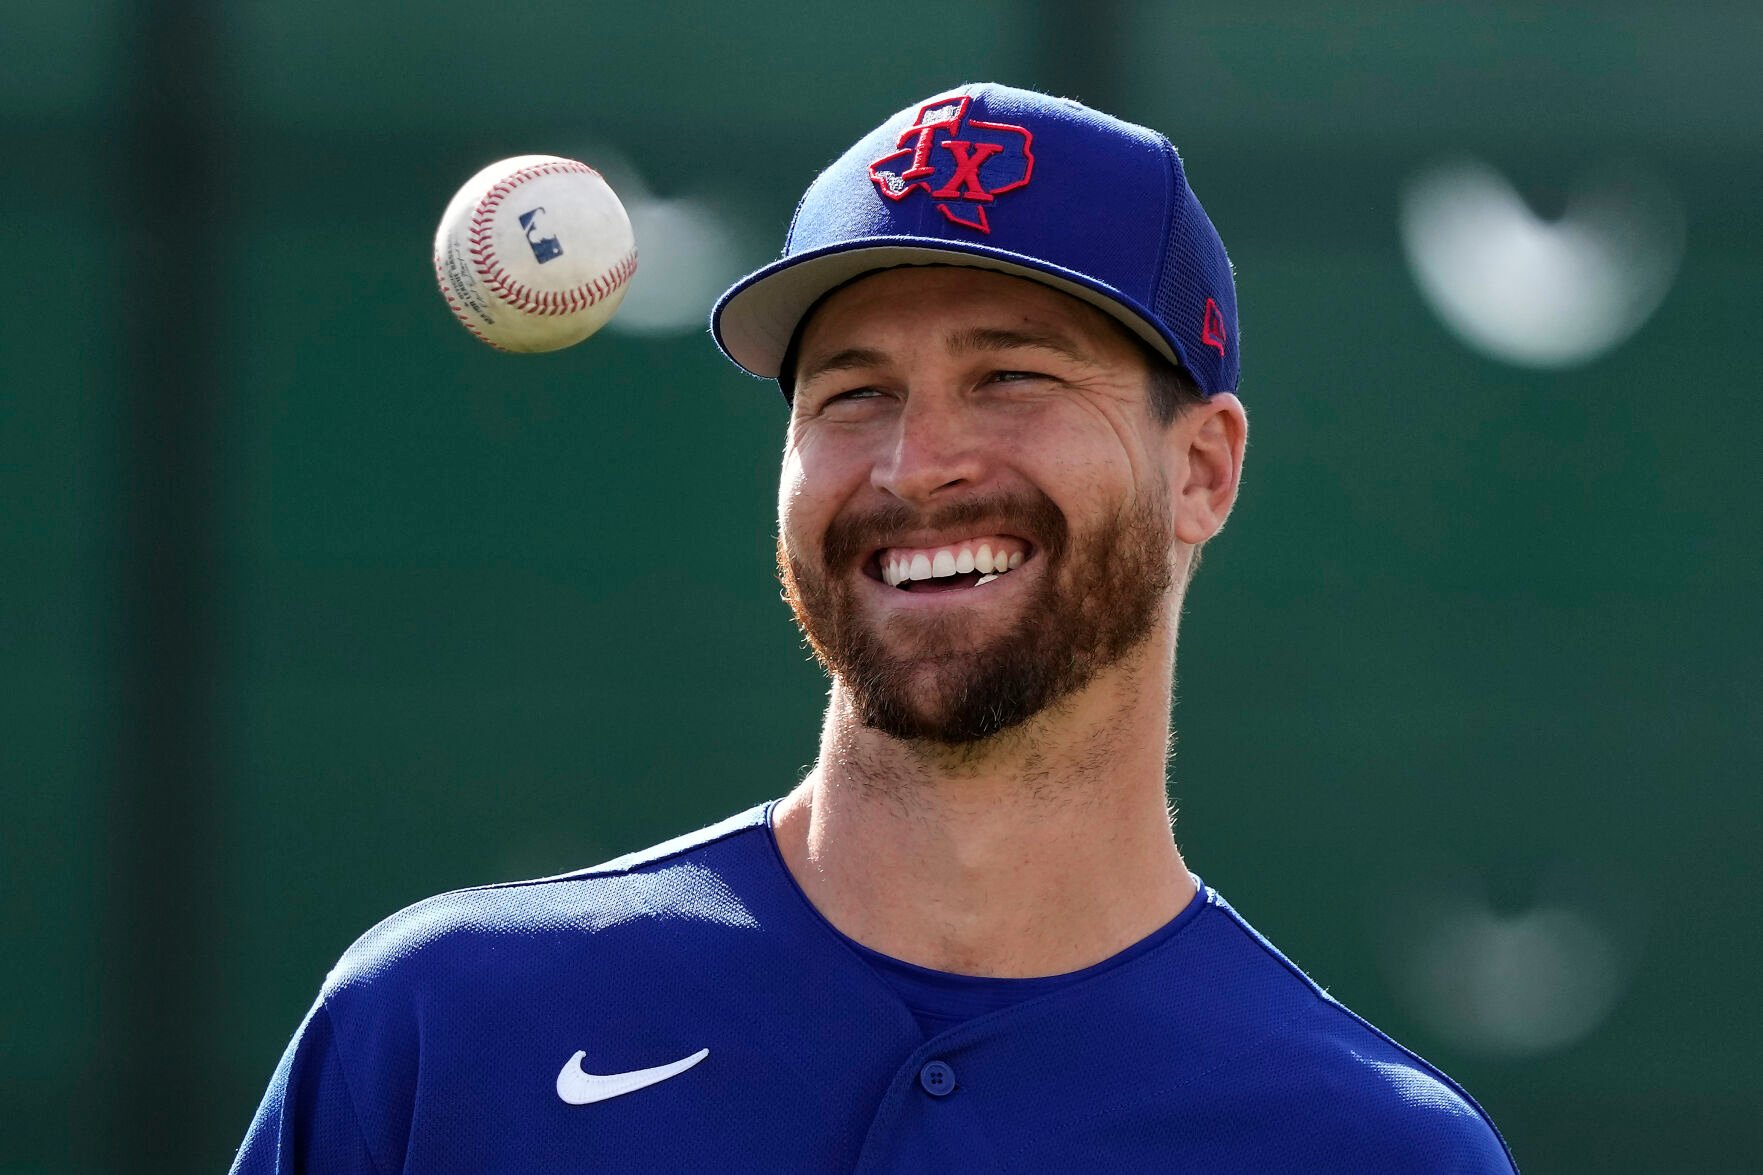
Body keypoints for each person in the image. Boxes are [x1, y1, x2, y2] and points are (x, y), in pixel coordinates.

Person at [233, 83, 1519, 1173]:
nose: (915, 463)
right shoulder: (446, 1024)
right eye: (852, 393)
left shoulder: (1360, 1142)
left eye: (1009, 375)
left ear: (1202, 470)